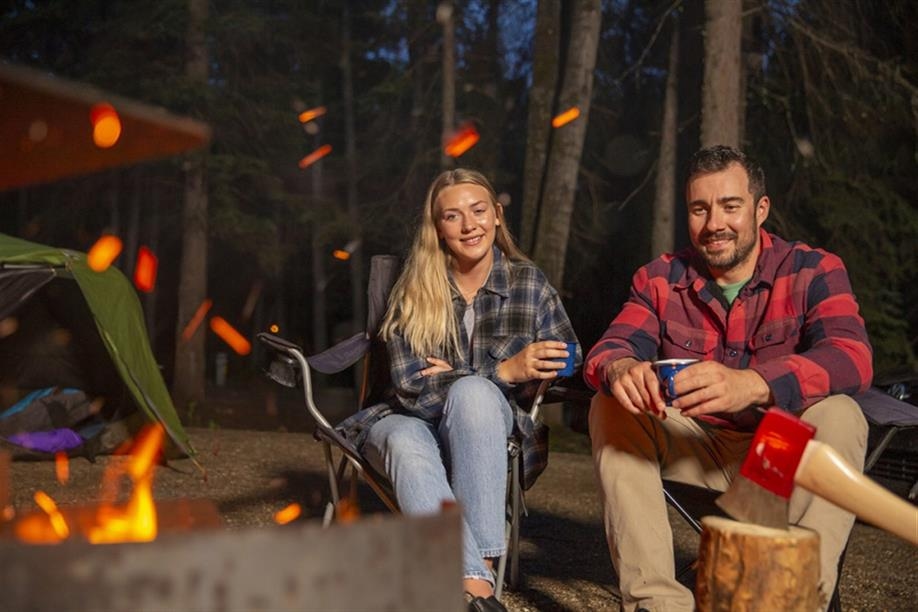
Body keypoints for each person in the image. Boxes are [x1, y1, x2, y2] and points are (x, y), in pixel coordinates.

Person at [585, 145, 872, 612]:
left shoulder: (812, 269)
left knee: (841, 413)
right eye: (700, 209)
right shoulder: (660, 279)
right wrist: (620, 369)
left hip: (777, 455)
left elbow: (852, 357)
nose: (714, 223)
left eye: (730, 206)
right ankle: (657, 603)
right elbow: (609, 349)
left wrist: (754, 384)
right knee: (611, 401)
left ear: (761, 209)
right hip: (696, 448)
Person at [348, 168, 580, 612]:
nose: (469, 225)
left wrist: (463, 376)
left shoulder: (528, 283)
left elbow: (571, 356)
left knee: (473, 396)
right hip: (402, 421)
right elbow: (410, 387)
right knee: (407, 435)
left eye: (478, 211)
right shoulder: (415, 289)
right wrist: (505, 371)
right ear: (438, 228)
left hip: (486, 434)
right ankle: (479, 590)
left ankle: (470, 584)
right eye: (452, 216)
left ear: (496, 216)